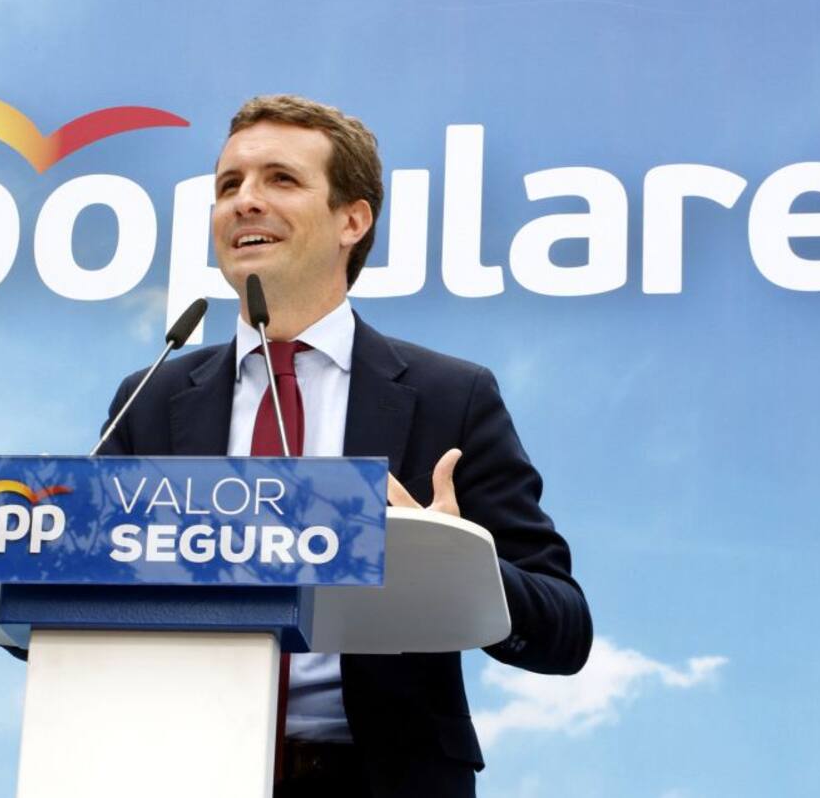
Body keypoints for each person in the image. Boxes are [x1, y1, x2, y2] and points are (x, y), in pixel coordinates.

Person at [97, 95, 592, 797]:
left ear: (351, 221)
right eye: (229, 184)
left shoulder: (450, 396)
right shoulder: (150, 396)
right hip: (180, 770)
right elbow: (56, 598)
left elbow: (564, 630)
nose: (245, 201)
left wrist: (456, 565)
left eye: (281, 179)